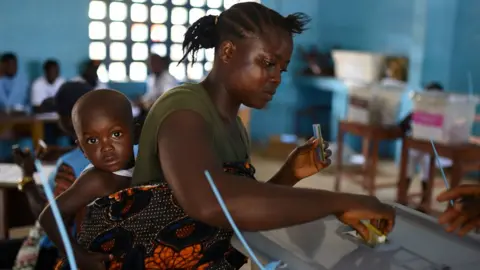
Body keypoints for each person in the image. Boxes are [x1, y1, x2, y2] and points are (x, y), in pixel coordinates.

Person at [130, 2, 394, 269]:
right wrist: (342, 202)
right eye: (268, 63)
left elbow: (240, 210)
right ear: (228, 51)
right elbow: (210, 202)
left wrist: (290, 173)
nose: (277, 77)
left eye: (282, 68)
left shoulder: (234, 127)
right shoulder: (183, 112)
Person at [39, 90, 138, 270]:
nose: (106, 147)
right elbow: (49, 216)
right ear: (82, 149)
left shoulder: (142, 162)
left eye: (115, 134)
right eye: (92, 140)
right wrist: (78, 256)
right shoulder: (97, 179)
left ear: (135, 131)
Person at [0, 82, 92, 270]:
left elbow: (50, 220)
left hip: (63, 255)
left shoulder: (68, 166)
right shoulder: (126, 153)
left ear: (68, 119)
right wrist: (63, 150)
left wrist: (27, 177)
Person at [398, 82, 450, 211]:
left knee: (426, 171)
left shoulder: (440, 114)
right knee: (408, 171)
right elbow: (402, 125)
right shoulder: (417, 111)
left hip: (428, 148)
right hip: (415, 146)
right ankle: (402, 199)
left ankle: (424, 202)